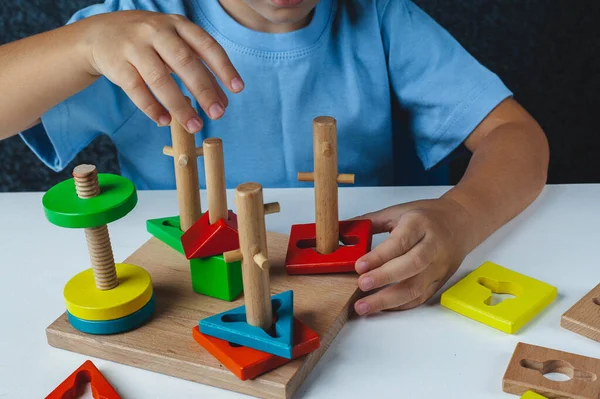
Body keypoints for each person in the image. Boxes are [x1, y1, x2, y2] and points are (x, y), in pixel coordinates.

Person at [0, 0, 549, 316]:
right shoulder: (132, 26)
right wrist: (81, 46)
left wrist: (461, 216)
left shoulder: (381, 16)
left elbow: (516, 135)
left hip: (366, 294)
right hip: (191, 296)